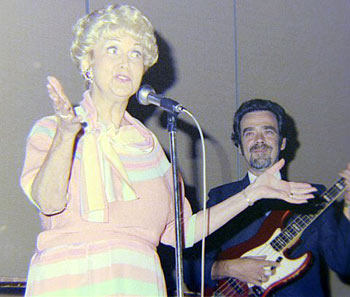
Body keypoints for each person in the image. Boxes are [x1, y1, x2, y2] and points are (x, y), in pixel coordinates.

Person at [20, 5, 316, 297]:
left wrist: (252, 194)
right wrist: (66, 135)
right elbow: (48, 202)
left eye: (136, 53)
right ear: (88, 60)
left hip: (140, 283)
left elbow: (184, 232)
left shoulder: (151, 151)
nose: (126, 62)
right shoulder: (52, 129)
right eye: (112, 49)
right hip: (70, 282)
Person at [185, 99, 350, 296]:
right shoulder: (221, 197)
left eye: (268, 131)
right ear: (240, 147)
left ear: (282, 143)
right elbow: (190, 271)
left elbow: (344, 264)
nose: (259, 140)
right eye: (249, 133)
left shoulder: (313, 195)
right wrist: (229, 268)